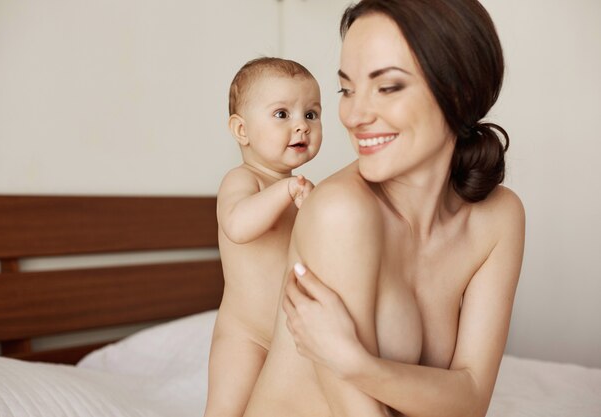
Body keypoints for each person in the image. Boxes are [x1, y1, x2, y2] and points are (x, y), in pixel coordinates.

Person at [244, 1, 525, 417]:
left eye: (387, 87)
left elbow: (471, 398)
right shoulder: (340, 211)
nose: (354, 115)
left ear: (460, 91)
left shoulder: (499, 218)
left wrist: (355, 364)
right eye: (347, 89)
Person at [204, 57, 323, 417]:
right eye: (282, 114)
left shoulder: (303, 191)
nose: (301, 126)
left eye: (312, 114)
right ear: (242, 130)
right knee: (227, 408)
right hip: (245, 335)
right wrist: (285, 192)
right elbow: (238, 225)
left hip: (292, 337)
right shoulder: (243, 180)